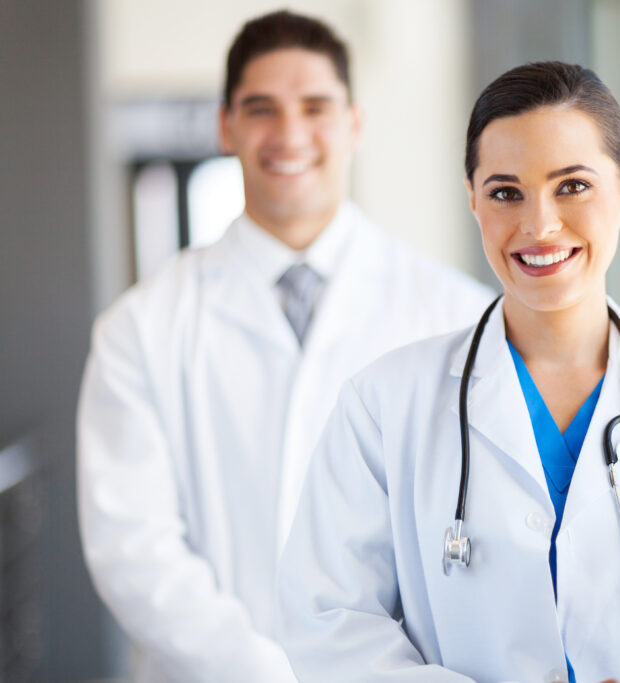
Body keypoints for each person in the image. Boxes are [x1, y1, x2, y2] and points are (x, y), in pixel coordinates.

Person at [276, 62, 620, 682]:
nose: (540, 225)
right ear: (473, 200)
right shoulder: (385, 404)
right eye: (507, 192)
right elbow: (329, 623)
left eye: (572, 187)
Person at [77, 10, 492, 682]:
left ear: (355, 123)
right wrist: (261, 670)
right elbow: (134, 548)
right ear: (226, 126)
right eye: (261, 109)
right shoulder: (142, 327)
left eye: (315, 107)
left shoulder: (456, 314)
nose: (290, 133)